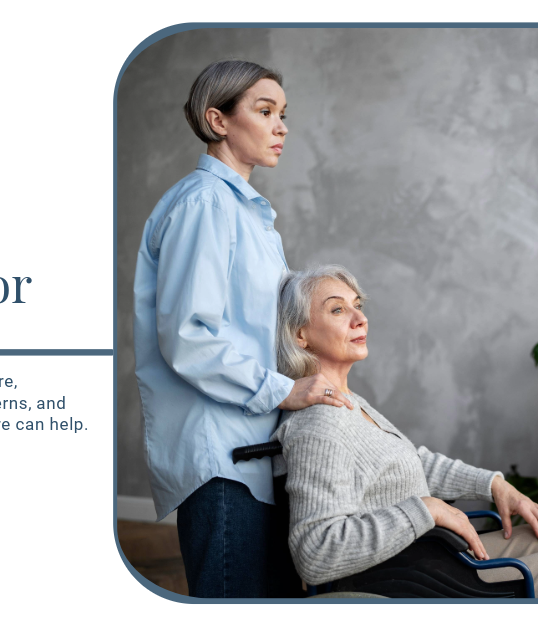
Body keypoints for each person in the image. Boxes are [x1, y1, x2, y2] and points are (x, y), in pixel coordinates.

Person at [133, 60, 351, 598]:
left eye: (283, 114)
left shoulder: (250, 216)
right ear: (218, 120)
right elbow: (188, 336)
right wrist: (286, 389)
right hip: (222, 459)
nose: (281, 126)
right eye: (264, 111)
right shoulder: (204, 204)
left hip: (255, 451)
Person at [272, 265, 538, 598]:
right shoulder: (318, 423)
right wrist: (426, 509)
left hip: (431, 556)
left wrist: (493, 484)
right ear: (300, 334)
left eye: (358, 306)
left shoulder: (351, 403)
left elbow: (411, 462)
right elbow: (316, 553)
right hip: (410, 577)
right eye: (337, 310)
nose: (360, 318)